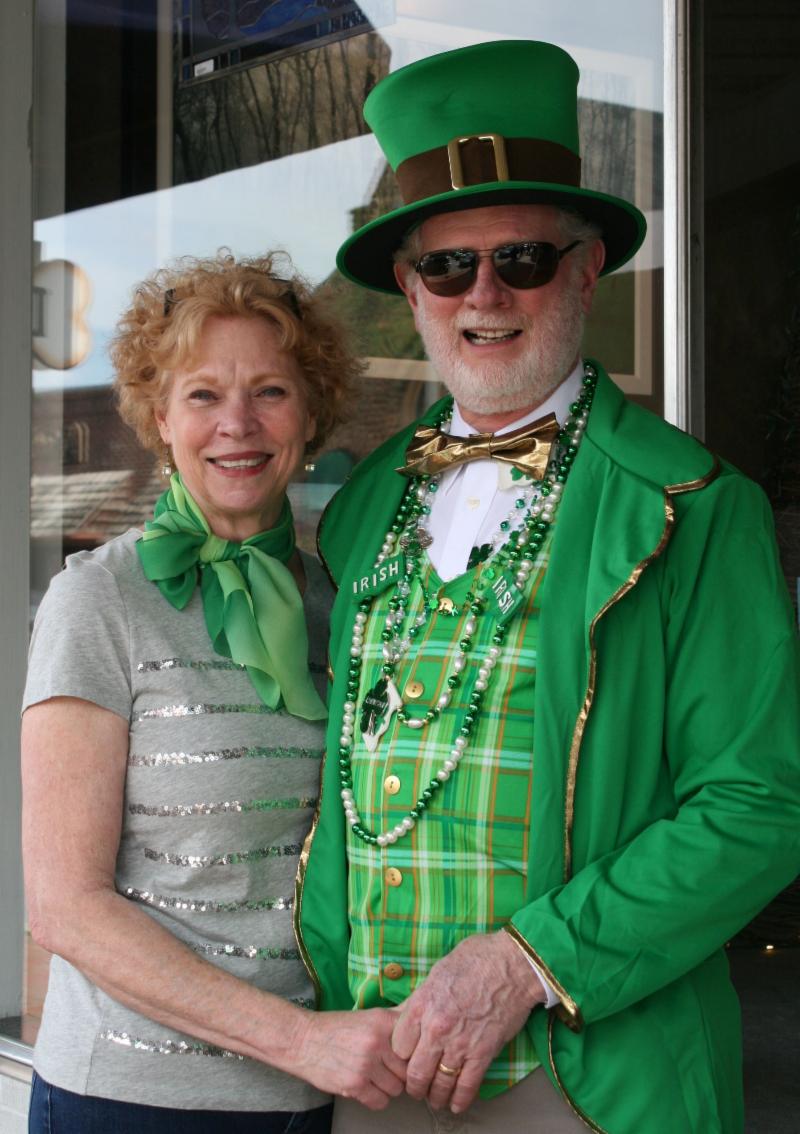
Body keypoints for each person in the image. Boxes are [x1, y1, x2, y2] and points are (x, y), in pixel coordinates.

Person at [296, 40, 800, 1133]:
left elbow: (759, 806)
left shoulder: (695, 508)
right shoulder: (360, 506)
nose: (483, 293)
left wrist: (529, 962)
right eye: (447, 266)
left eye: (521, 257)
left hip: (585, 1080)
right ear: (410, 288)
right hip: (372, 1063)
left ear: (583, 269)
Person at [21, 252, 408, 1134]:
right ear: (160, 418)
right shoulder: (100, 600)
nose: (238, 423)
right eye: (203, 394)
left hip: (324, 1097)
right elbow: (65, 910)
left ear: (312, 414)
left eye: (270, 391)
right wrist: (299, 1041)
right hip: (132, 1102)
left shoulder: (345, 604)